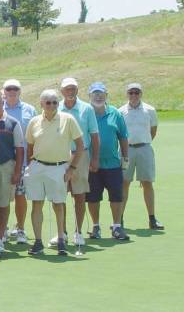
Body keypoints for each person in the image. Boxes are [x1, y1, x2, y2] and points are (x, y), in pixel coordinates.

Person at [23, 89, 84, 256]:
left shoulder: (68, 119)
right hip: (37, 166)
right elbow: (30, 145)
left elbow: (80, 145)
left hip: (59, 167)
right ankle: (38, 242)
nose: (51, 105)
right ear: (41, 104)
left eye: (55, 102)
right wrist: (31, 165)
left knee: (58, 204)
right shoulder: (34, 121)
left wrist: (72, 168)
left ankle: (61, 240)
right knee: (36, 204)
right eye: (48, 102)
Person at [57, 77, 100, 247]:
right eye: (67, 88)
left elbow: (94, 136)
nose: (70, 91)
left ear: (77, 89)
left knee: (79, 195)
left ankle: (78, 232)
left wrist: (95, 159)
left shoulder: (86, 109)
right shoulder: (54, 107)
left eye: (73, 88)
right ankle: (63, 233)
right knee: (60, 195)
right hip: (60, 156)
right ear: (62, 91)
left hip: (81, 156)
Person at [85, 82, 130, 240]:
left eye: (101, 93)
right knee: (92, 197)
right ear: (89, 96)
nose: (98, 96)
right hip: (92, 165)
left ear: (106, 95)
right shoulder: (86, 113)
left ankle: (117, 226)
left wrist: (125, 158)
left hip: (112, 164)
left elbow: (123, 137)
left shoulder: (115, 113)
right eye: (95, 93)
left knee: (116, 196)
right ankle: (96, 226)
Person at [119, 83, 163, 230]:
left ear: (141, 94)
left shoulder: (149, 110)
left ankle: (152, 219)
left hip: (145, 148)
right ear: (127, 94)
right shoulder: (121, 111)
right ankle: (119, 219)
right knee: (124, 183)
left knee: (147, 183)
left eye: (136, 93)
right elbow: (119, 133)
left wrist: (143, 142)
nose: (133, 95)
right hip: (126, 151)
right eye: (131, 93)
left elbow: (153, 131)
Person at [0, 91, 24, 252]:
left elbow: (20, 150)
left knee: (3, 205)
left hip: (5, 168)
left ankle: (0, 237)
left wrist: (17, 172)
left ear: (3, 103)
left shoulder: (13, 123)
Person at [2, 79, 37, 244]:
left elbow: (36, 135)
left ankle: (21, 228)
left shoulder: (29, 110)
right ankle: (3, 229)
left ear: (20, 91)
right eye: (8, 89)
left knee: (20, 195)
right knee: (2, 197)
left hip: (23, 162)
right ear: (4, 91)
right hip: (3, 161)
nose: (12, 91)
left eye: (15, 88)